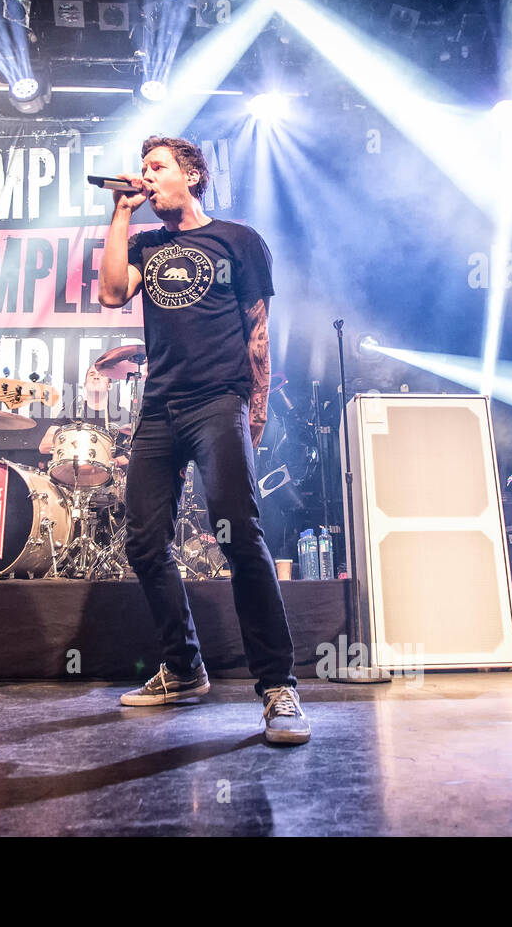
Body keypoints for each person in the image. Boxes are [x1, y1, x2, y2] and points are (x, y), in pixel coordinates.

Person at [98, 135, 309, 744]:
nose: (146, 176)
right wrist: (119, 213)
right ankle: (184, 668)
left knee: (240, 537)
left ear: (191, 175)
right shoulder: (144, 242)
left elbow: (258, 331)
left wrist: (257, 408)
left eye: (157, 167)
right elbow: (113, 292)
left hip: (221, 401)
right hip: (160, 407)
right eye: (142, 170)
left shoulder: (238, 240)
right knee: (143, 541)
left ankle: (278, 687)